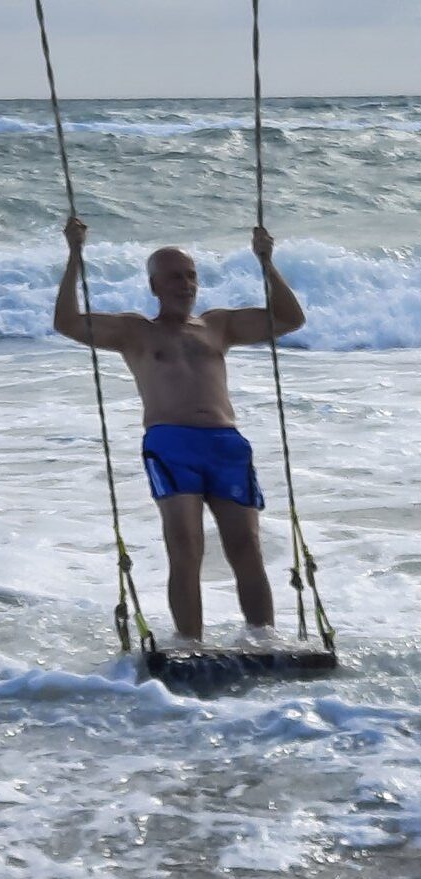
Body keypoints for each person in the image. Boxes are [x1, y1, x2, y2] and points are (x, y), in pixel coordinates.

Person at [54, 217, 306, 642]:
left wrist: (266, 262)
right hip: (171, 445)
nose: (185, 285)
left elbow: (289, 318)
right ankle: (190, 645)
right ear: (154, 286)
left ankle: (263, 640)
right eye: (174, 277)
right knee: (186, 547)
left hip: (226, 445)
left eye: (191, 276)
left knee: (246, 546)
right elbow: (67, 322)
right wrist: (75, 254)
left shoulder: (218, 325)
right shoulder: (135, 331)